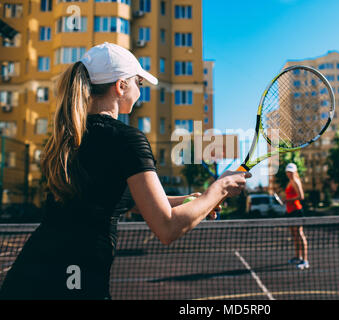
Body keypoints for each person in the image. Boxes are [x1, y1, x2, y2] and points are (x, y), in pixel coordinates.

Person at [0, 42, 250, 300]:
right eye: (138, 84)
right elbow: (166, 227)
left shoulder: (69, 137)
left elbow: (116, 199)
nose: (141, 91)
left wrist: (193, 201)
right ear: (121, 86)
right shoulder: (126, 139)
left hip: (27, 280)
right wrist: (218, 188)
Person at [284, 163, 308, 270]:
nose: (289, 173)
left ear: (295, 171)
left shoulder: (296, 181)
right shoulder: (290, 181)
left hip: (297, 211)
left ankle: (305, 260)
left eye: (291, 171)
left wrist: (287, 200)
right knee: (294, 235)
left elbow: (301, 196)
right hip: (290, 211)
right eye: (288, 171)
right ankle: (298, 256)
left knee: (300, 234)